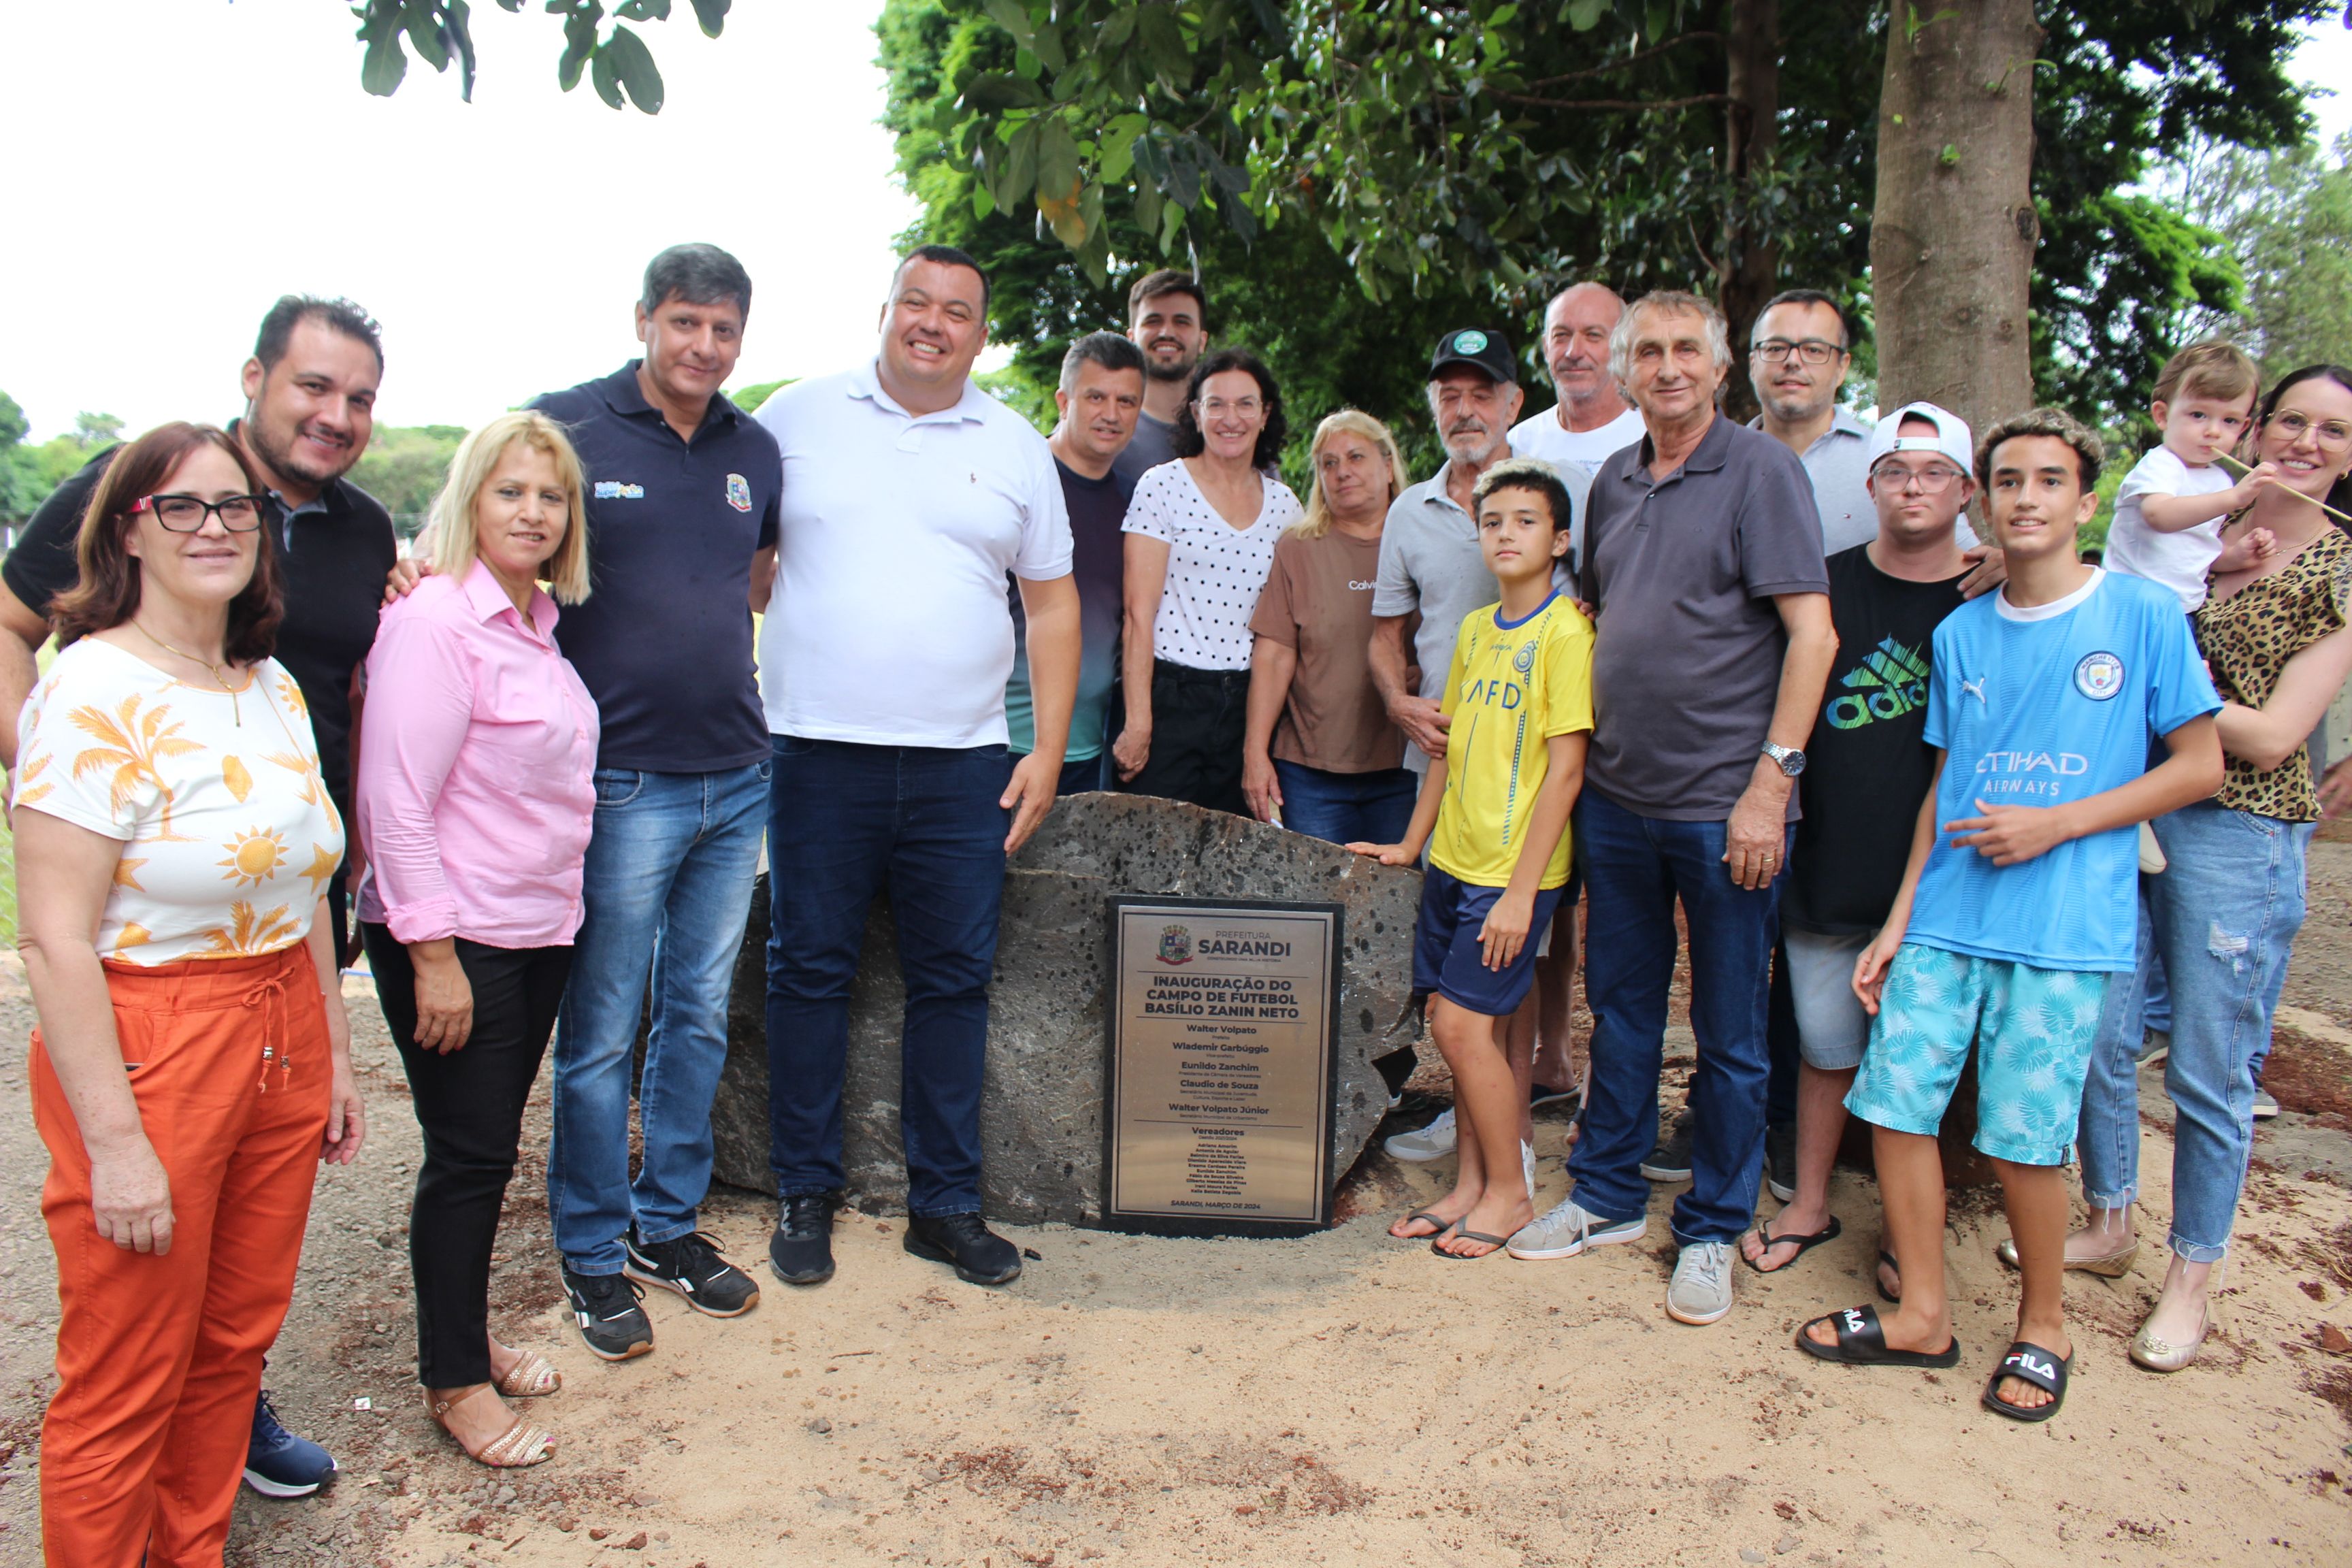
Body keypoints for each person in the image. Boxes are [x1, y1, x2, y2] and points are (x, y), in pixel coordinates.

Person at [0, 293, 390, 1501]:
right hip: (156, 1029)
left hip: (282, 1008)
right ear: (128, 528)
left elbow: (305, 884)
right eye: (183, 505)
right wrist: (115, 1143)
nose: (213, 522)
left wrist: (323, 1048)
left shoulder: (267, 680)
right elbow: (54, 940)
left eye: (233, 508)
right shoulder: (90, 689)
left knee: (229, 1344)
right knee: (127, 1367)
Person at [1799, 409, 2222, 1424]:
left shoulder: (2143, 618)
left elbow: (2200, 765)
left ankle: (2044, 1326)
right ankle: (1923, 1320)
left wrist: (2058, 825)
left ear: (2086, 501)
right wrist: (1900, 921)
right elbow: (1943, 792)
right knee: (1896, 1109)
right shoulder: (1961, 631)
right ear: (1985, 500)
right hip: (1944, 921)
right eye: (2010, 481)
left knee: (2026, 1142)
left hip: (2060, 928)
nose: (2027, 497)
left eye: (2050, 480)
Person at [757, 244, 1080, 1290]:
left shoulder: (1018, 443)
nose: (932, 323)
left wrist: (1045, 750)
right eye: (916, 302)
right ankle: (805, 1191)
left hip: (961, 765)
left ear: (982, 334)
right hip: (816, 749)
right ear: (886, 309)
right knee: (807, 972)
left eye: (957, 311)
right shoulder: (795, 418)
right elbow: (743, 563)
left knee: (953, 983)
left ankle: (944, 1205)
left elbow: (1053, 603)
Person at [1520, 291, 1835, 1333]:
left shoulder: (1761, 472)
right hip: (1619, 796)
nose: (1664, 368)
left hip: (1724, 806)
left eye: (1684, 350)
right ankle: (1607, 1192)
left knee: (1733, 1030)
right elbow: (1604, 609)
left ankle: (1711, 1226)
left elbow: (1814, 637)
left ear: (1720, 363)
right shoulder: (1613, 479)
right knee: (1620, 1008)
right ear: (1622, 366)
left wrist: (1770, 784)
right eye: (1645, 351)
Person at [2066, 364, 2352, 1373]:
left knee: (2208, 1066)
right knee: (2100, 1030)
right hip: (2133, 808)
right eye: (2290, 421)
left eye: (2333, 431)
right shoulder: (2200, 541)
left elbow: (2276, 737)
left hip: (2238, 832)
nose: (2306, 443)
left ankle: (2193, 1274)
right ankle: (2108, 1220)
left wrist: (2152, 678)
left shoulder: (2338, 569)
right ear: (2252, 428)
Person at [528, 245, 776, 1359]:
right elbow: (498, 546)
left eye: (724, 331)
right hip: (622, 782)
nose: (704, 349)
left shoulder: (753, 447)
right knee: (601, 1030)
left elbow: (755, 577)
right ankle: (587, 1247)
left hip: (738, 773)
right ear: (644, 319)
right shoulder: (568, 429)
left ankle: (661, 1223)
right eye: (685, 324)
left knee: (697, 1015)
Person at [356, 412, 602, 1469]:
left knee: (485, 1149)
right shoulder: (437, 623)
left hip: (533, 928)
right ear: (469, 499)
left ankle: (469, 1335)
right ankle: (453, 1380)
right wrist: (433, 956)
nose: (533, 513)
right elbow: (395, 800)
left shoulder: (534, 619)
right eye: (510, 492)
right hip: (460, 938)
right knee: (467, 1159)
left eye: (551, 497)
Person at [1738, 404, 1977, 1292]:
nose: (1913, 488)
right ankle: (1808, 1202)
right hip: (1831, 862)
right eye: (1895, 472)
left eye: (1933, 473)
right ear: (1869, 485)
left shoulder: (1988, 595)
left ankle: (1905, 1231)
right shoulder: (1824, 587)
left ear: (1964, 490)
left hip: (1944, 877)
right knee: (1827, 1050)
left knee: (1919, 1064)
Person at [1350, 459, 1594, 1258]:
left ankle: (1512, 1195)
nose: (1506, 534)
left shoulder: (1566, 633)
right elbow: (1447, 753)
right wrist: (1412, 846)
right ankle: (1469, 1186)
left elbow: (1566, 770)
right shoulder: (1477, 629)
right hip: (1454, 863)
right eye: (1492, 522)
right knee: (1461, 1033)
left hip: (1512, 876)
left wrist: (1525, 894)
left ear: (1559, 540)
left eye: (1526, 521)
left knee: (1461, 1028)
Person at [1371, 327, 1575, 1156]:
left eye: (1481, 393)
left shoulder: (1553, 492)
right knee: (1464, 970)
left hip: (1528, 774)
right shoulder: (1410, 511)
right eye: (1449, 395)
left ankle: (1511, 1134)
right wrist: (1399, 701)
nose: (1465, 409)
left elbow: (1596, 598)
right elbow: (1386, 632)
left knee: (1509, 958)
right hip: (1447, 760)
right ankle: (1480, 1121)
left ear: (1513, 403)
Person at [1112, 348, 1303, 813]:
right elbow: (1139, 615)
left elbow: (1284, 635)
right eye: (1216, 403)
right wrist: (1139, 722)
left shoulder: (1286, 507)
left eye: (1245, 404)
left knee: (1231, 864)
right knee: (1151, 858)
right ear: (1196, 413)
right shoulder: (1162, 486)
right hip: (1168, 697)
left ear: (1265, 414)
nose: (1230, 418)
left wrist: (1259, 743)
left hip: (1247, 707)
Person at [1241, 410, 1415, 842]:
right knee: (1318, 905)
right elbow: (1275, 655)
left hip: (1408, 765)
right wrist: (1255, 753)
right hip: (1311, 773)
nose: (1342, 473)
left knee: (1397, 903)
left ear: (1388, 465)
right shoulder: (1298, 547)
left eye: (1356, 457)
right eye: (1329, 463)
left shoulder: (1422, 541)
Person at [1006, 333, 1146, 794]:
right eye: (1096, 397)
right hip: (1000, 745)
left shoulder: (1137, 503)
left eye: (1126, 401)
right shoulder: (1019, 483)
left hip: (1087, 749)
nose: (1111, 414)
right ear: (1064, 401)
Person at [2104, 340, 2279, 609]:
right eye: (2199, 415)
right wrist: (2234, 498)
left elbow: (2194, 555)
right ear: (2162, 416)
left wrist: (2236, 556)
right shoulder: (2162, 464)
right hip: (2130, 604)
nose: (2213, 431)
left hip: (2183, 609)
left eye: (2229, 421)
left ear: (2243, 427)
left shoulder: (2219, 479)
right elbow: (2159, 516)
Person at [1507, 282, 1647, 483]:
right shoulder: (1520, 445)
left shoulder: (1655, 436)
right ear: (1546, 348)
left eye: (1593, 336)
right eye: (1561, 336)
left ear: (1623, 347)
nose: (1574, 352)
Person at [1113, 270, 1209, 489]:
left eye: (1182, 322)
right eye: (1153, 321)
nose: (1166, 332)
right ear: (1131, 338)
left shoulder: (1233, 428)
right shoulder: (1105, 427)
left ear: (1202, 340)